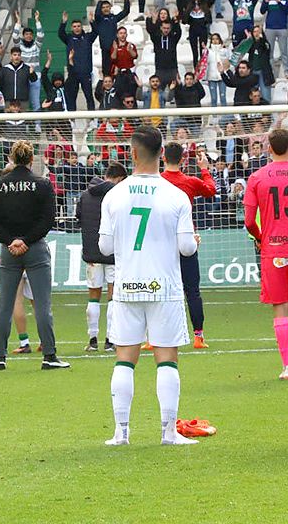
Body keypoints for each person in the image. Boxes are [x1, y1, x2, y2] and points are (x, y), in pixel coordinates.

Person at [98, 126, 198, 446]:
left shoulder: (114, 194)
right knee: (166, 358)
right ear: (161, 155)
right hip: (164, 287)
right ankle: (168, 433)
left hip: (127, 285)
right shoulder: (177, 195)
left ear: (132, 153)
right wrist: (192, 241)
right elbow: (186, 250)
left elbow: (104, 248)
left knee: (125, 358)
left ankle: (121, 432)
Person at [0, 141, 67, 371]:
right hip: (35, 248)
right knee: (42, 304)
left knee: (5, 304)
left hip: (9, 250)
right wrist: (26, 240)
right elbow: (48, 220)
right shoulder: (42, 185)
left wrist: (11, 241)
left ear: (11, 158)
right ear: (32, 160)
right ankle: (49, 355)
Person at [244, 128, 288, 380]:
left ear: (268, 148)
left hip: (273, 249)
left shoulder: (256, 178)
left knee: (280, 308)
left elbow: (248, 221)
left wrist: (262, 238)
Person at [160, 141, 216, 349]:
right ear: (183, 159)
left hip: (161, 243)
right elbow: (211, 190)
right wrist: (204, 169)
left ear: (163, 158)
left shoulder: (157, 181)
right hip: (186, 240)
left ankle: (153, 336)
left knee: (159, 289)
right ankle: (199, 336)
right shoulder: (190, 182)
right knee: (192, 289)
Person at [78, 162, 127, 352]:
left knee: (93, 297)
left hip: (91, 253)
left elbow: (80, 221)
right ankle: (110, 340)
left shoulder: (84, 195)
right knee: (113, 297)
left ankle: (92, 340)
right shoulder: (118, 196)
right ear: (119, 179)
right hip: (113, 252)